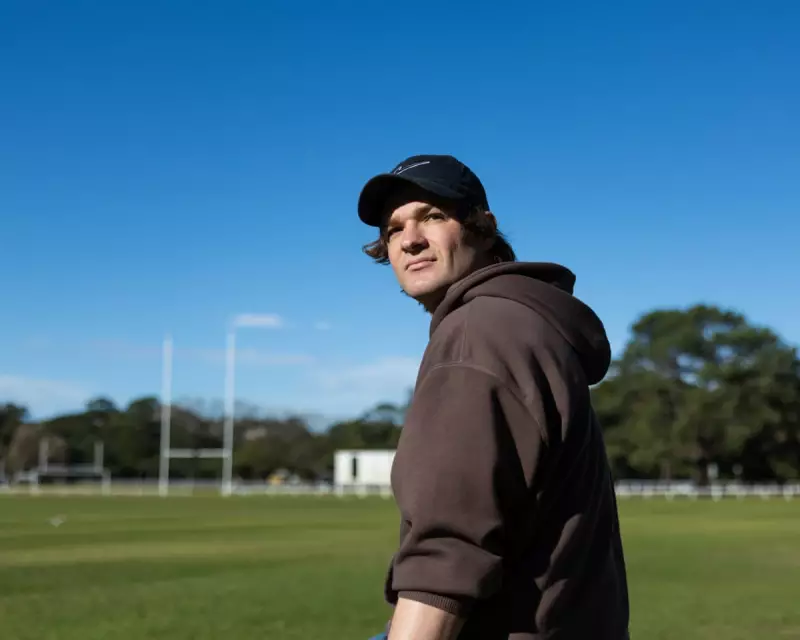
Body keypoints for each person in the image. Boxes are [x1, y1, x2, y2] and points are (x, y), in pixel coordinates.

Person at [356, 154, 630, 640]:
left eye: (432, 216)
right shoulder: (523, 323)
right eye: (394, 229)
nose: (410, 239)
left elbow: (447, 550)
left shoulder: (478, 333)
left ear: (483, 227)